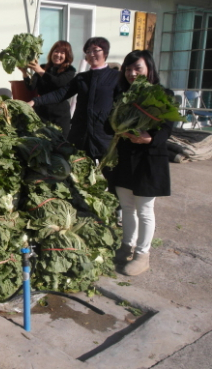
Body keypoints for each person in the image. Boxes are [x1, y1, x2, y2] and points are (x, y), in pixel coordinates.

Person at [112, 50, 173, 276]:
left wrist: (150, 138)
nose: (132, 73)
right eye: (128, 69)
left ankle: (142, 255)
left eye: (137, 68)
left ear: (149, 68)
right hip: (124, 159)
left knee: (145, 210)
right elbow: (109, 123)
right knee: (127, 208)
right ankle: (126, 246)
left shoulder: (163, 94)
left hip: (148, 159)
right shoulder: (122, 95)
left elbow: (167, 127)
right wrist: (116, 127)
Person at [27, 37, 121, 161]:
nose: (91, 54)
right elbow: (60, 94)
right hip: (80, 134)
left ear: (105, 52)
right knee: (78, 167)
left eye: (95, 50)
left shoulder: (116, 77)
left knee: (107, 169)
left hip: (104, 135)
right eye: (88, 51)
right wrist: (34, 101)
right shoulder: (82, 78)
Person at [18, 40, 76, 136]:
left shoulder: (69, 71)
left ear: (67, 56)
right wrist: (24, 73)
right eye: (56, 51)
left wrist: (40, 71)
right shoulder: (43, 67)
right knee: (43, 140)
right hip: (42, 113)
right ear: (51, 53)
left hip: (59, 115)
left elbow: (57, 82)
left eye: (62, 53)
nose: (58, 55)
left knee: (61, 141)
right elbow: (31, 87)